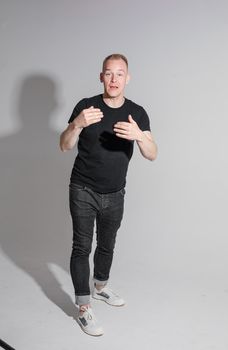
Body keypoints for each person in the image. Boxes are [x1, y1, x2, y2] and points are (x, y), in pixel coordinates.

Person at [60, 53, 157, 336]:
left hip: (115, 192)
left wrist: (140, 136)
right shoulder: (86, 106)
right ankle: (83, 309)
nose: (113, 79)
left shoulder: (137, 113)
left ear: (127, 78)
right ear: (101, 76)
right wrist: (76, 123)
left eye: (119, 73)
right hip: (82, 188)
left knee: (107, 244)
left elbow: (152, 154)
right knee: (81, 246)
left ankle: (100, 287)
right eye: (108, 73)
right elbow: (64, 146)